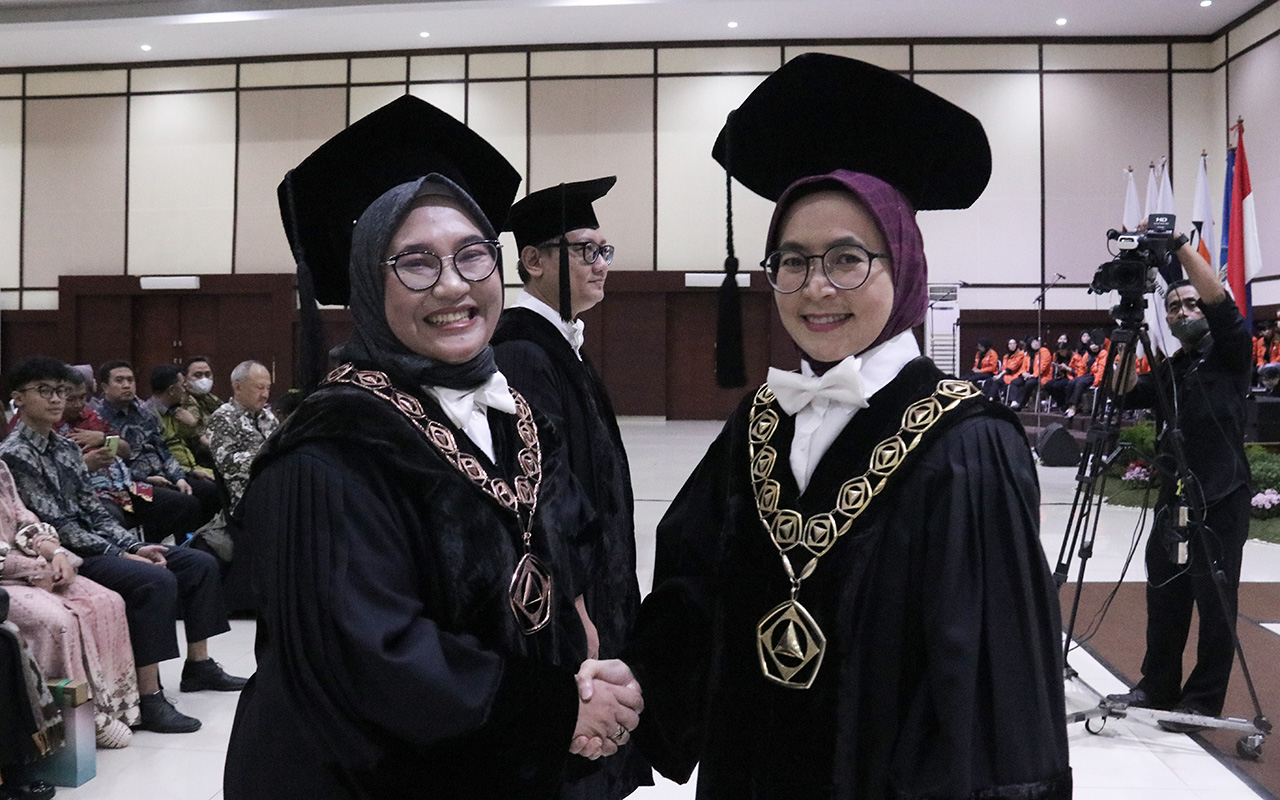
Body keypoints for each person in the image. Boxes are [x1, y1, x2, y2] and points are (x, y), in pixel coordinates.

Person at [622, 54, 1070, 799]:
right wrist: (629, 694)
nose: (817, 288)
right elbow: (691, 592)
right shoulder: (758, 423)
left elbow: (997, 686)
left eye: (847, 260)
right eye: (792, 262)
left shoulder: (968, 442)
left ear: (905, 265)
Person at [224, 95, 643, 799]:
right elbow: (369, 660)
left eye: (472, 255)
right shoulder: (326, 455)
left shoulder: (517, 417)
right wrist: (554, 713)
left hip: (510, 767)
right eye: (415, 263)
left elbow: (566, 563)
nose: (453, 285)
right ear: (368, 282)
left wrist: (592, 671)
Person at [493, 177, 652, 798]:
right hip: (567, 606)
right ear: (533, 260)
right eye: (584, 249)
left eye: (604, 250)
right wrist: (577, 612)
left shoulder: (563, 345)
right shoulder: (523, 353)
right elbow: (540, 497)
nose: (600, 263)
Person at [0, 357, 247, 735]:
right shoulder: (14, 455)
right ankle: (149, 697)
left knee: (198, 563)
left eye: (60, 391)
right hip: (65, 553)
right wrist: (121, 553)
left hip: (97, 541)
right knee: (155, 580)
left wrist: (134, 545)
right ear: (18, 398)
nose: (55, 399)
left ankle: (199, 665)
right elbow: (57, 526)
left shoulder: (66, 448)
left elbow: (93, 511)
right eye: (44, 391)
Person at [1107, 234, 1253, 732]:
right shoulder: (1173, 368)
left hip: (1221, 497)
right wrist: (1128, 334)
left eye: (1190, 303)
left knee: (1215, 605)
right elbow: (1122, 390)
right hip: (1173, 501)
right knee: (1165, 596)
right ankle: (1158, 685)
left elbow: (1221, 302)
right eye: (1173, 307)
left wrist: (1177, 246)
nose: (1183, 311)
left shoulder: (1231, 352)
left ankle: (1203, 701)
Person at [0, 458, 140, 749]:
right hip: (7, 580)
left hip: (32, 565)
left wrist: (55, 553)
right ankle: (74, 719)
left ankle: (114, 703)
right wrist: (32, 568)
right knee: (57, 621)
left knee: (108, 601)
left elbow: (25, 521)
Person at [95, 361, 219, 541]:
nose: (126, 385)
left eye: (130, 380)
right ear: (105, 387)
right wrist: (145, 479)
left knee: (210, 490)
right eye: (119, 380)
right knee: (184, 503)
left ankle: (207, 544)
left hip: (163, 475)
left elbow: (164, 450)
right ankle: (174, 548)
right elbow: (111, 466)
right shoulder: (98, 419)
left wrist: (179, 477)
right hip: (133, 484)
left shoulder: (145, 414)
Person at [206, 360, 279, 511]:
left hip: (276, 485)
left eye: (268, 388)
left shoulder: (268, 417)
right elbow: (228, 464)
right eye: (260, 388)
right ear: (238, 387)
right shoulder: (223, 417)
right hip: (248, 496)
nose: (265, 395)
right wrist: (269, 456)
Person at [146, 365, 215, 482]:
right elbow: (160, 455)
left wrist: (193, 425)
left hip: (193, 467)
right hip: (173, 474)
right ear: (172, 390)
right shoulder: (149, 415)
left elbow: (191, 441)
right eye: (183, 385)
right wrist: (191, 472)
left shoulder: (177, 410)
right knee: (214, 489)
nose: (185, 390)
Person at [1011, 335, 1053, 410]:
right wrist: (1023, 373)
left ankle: (1021, 404)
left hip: (1041, 377)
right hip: (1029, 376)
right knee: (1015, 382)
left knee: (1029, 383)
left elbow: (1043, 367)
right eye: (1033, 342)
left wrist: (1033, 375)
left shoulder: (1044, 351)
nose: (1036, 343)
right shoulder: (1028, 355)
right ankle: (1014, 402)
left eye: (1037, 342)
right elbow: (1023, 367)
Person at [984, 337, 1027, 404]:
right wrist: (998, 375)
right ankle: (985, 398)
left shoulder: (1020, 354)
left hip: (1014, 375)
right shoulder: (1006, 357)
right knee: (989, 381)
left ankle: (991, 399)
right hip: (1005, 375)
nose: (1012, 345)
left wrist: (999, 375)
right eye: (1010, 344)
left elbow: (1012, 367)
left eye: (1014, 343)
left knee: (997, 381)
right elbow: (1003, 368)